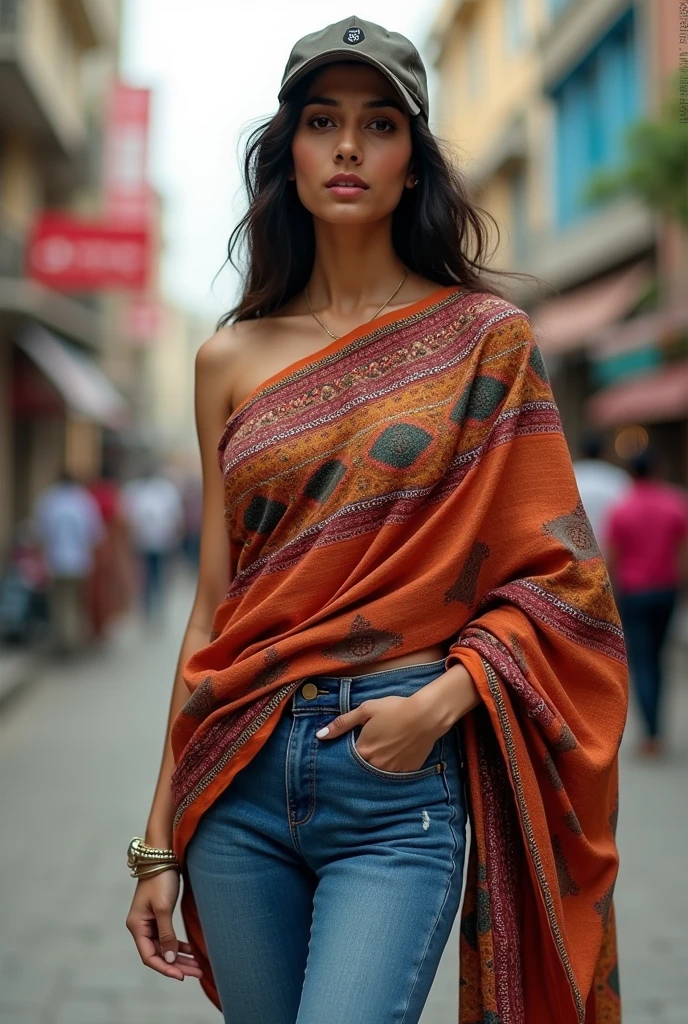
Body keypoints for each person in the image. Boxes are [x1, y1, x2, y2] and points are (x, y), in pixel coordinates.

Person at [125, 18, 628, 1024]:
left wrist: (440, 705)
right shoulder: (229, 358)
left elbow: (562, 574)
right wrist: (158, 838)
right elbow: (215, 604)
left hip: (393, 777)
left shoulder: (487, 339)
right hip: (238, 769)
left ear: (412, 162)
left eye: (379, 123)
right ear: (289, 155)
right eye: (322, 121)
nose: (348, 145)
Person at [605, 450, 688, 758]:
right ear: (656, 469)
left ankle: (651, 734)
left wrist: (609, 595)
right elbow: (682, 553)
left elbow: (612, 557)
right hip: (666, 591)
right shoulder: (674, 504)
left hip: (635, 593)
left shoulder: (622, 509)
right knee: (659, 657)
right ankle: (658, 729)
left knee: (642, 661)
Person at [33, 469, 105, 654]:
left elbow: (41, 532)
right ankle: (73, 640)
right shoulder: (83, 501)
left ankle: (64, 641)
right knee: (76, 602)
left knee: (59, 602)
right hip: (80, 561)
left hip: (56, 561)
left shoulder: (49, 500)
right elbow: (95, 533)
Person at [121, 461, 184, 623]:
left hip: (162, 542)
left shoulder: (165, 489)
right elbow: (127, 518)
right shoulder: (134, 490)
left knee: (158, 576)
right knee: (145, 577)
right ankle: (148, 607)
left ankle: (158, 607)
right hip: (141, 542)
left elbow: (175, 516)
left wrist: (176, 537)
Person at [573, 431, 631, 560]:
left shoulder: (571, 475)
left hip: (578, 552)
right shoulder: (618, 477)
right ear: (605, 452)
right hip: (613, 552)